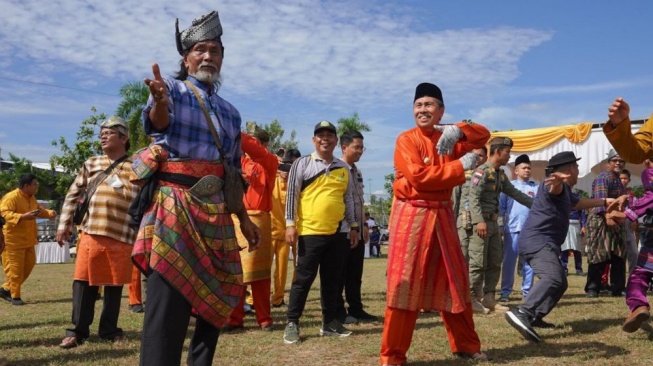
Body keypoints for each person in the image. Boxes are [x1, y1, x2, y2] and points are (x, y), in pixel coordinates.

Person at [132, 10, 261, 366]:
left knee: (221, 294)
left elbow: (233, 172)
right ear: (186, 58)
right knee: (167, 304)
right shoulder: (170, 90)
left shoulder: (232, 113)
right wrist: (158, 102)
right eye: (200, 49)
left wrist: (244, 219)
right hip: (174, 206)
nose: (208, 56)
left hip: (217, 211)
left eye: (215, 50)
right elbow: (158, 123)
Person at [380, 82, 491, 365]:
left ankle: (466, 346)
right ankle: (392, 357)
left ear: (441, 111)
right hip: (412, 217)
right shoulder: (406, 139)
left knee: (456, 282)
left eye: (429, 105)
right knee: (404, 286)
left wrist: (459, 130)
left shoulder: (450, 138)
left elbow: (484, 136)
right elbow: (418, 177)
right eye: (418, 105)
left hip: (442, 215)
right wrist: (460, 166)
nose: (423, 110)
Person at [505, 151, 624, 343]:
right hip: (538, 241)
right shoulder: (552, 185)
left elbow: (579, 203)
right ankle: (522, 311)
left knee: (561, 282)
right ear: (570, 169)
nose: (578, 171)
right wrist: (558, 181)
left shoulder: (567, 191)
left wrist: (604, 201)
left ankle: (536, 316)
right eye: (576, 168)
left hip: (545, 242)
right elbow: (554, 188)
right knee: (552, 277)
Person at [56, 116, 138, 348]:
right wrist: (64, 225)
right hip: (91, 231)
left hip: (122, 234)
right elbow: (73, 194)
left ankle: (110, 330)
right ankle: (77, 331)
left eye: (109, 133)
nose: (103, 136)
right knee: (83, 282)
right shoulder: (92, 163)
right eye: (101, 133)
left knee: (114, 286)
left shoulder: (137, 166)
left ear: (123, 138)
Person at [283, 120, 359, 344]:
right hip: (309, 232)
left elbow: (350, 199)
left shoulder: (343, 168)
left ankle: (329, 323)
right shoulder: (302, 163)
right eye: (320, 135)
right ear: (314, 140)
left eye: (329, 135)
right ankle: (292, 322)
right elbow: (291, 195)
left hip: (338, 233)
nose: (325, 138)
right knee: (303, 280)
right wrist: (290, 224)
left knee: (332, 281)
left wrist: (353, 227)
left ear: (336, 141)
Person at [466, 137, 533, 313]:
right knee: (478, 262)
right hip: (481, 223)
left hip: (494, 224)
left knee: (495, 261)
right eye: (507, 152)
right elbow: (473, 198)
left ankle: (489, 298)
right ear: (497, 151)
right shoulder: (481, 172)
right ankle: (471, 299)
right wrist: (479, 221)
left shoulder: (499, 174)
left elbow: (516, 194)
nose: (509, 156)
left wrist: (538, 206)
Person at [224, 127, 279, 332]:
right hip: (237, 218)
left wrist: (234, 130)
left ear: (263, 144)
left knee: (261, 273)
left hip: (261, 218)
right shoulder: (238, 162)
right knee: (236, 272)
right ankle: (234, 319)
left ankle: (264, 318)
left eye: (256, 142)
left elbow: (252, 148)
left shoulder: (269, 161)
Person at [335, 130, 378, 324]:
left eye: (362, 147)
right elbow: (342, 201)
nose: (360, 151)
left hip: (358, 230)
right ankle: (338, 311)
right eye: (356, 147)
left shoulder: (357, 171)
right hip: (343, 231)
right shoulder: (336, 169)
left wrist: (364, 226)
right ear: (344, 147)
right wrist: (351, 227)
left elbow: (359, 200)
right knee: (339, 273)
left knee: (355, 273)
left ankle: (356, 308)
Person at [0, 174, 57, 305]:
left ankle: (6, 289)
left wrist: (49, 213)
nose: (37, 187)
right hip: (13, 241)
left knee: (29, 266)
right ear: (26, 186)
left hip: (28, 239)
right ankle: (15, 297)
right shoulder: (11, 197)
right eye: (35, 184)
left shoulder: (31, 198)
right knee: (15, 270)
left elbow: (38, 211)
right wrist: (22, 217)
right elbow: (4, 214)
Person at [584, 149, 628, 298]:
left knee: (619, 254)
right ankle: (593, 288)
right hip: (600, 219)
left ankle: (618, 288)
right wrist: (607, 217)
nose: (618, 163)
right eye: (615, 160)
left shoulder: (617, 179)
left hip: (616, 220)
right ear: (608, 162)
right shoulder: (604, 177)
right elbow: (600, 199)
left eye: (621, 161)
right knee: (599, 254)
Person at [498, 154, 536, 303]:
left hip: (530, 231)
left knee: (529, 262)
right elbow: (501, 207)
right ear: (516, 171)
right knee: (509, 262)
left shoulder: (536, 187)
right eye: (524, 168)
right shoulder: (509, 187)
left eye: (529, 168)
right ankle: (505, 292)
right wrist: (501, 225)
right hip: (512, 229)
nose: (527, 170)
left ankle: (528, 292)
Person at [270, 148, 301, 308]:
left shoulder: (297, 185)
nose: (286, 172)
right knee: (261, 269)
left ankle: (278, 299)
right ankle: (252, 301)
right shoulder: (271, 179)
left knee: (283, 269)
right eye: (285, 167)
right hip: (269, 232)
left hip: (289, 232)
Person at [620, 169, 639, 276]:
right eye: (621, 178)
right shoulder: (613, 192)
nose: (623, 180)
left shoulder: (631, 195)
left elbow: (636, 209)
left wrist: (634, 220)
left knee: (634, 254)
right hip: (616, 224)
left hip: (628, 225)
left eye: (625, 178)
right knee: (618, 256)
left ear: (629, 180)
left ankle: (632, 278)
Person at [560, 204, 587, 276]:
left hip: (576, 225)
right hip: (564, 224)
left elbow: (582, 213)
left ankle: (579, 269)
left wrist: (583, 226)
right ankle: (564, 269)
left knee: (577, 249)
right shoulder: (561, 198)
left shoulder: (577, 198)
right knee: (564, 249)